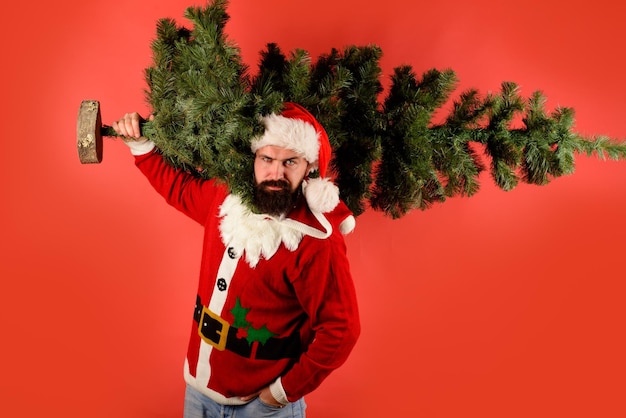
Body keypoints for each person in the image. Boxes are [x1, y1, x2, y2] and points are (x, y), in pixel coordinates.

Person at [112, 102, 360, 418]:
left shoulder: (316, 241)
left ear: (308, 168)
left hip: (264, 407)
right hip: (199, 393)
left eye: (291, 162)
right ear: (254, 158)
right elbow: (180, 189)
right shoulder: (225, 198)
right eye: (267, 158)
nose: (276, 173)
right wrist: (141, 146)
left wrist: (279, 395)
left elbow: (341, 329)